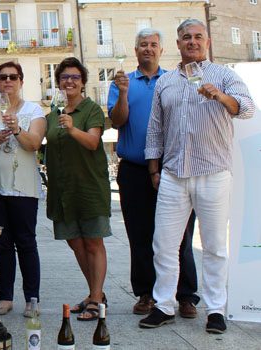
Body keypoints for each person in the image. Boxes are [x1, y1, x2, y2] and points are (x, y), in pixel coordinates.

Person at [139, 19, 255, 334]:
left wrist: (220, 96)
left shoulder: (225, 76)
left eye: (198, 37)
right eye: (186, 37)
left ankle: (216, 310)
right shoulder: (166, 82)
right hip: (174, 174)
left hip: (213, 172)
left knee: (216, 246)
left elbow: (247, 109)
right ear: (177, 44)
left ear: (207, 42)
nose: (192, 42)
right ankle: (163, 305)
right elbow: (155, 129)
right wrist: (154, 169)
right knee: (163, 244)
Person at [108, 28, 200, 318]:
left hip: (173, 168)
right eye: (142, 45)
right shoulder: (122, 83)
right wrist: (122, 93)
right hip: (134, 171)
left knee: (182, 235)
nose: (148, 49)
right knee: (140, 234)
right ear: (135, 51)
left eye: (153, 45)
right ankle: (146, 294)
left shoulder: (174, 80)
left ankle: (185, 295)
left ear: (162, 50)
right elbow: (117, 121)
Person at [44, 57, 111, 321]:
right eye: (64, 77)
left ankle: (95, 298)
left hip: (89, 186)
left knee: (93, 242)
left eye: (74, 77)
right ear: (59, 82)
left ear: (82, 82)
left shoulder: (91, 109)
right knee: (75, 243)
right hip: (62, 189)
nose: (69, 81)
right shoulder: (53, 113)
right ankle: (96, 292)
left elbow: (93, 142)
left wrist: (72, 129)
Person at [0, 61, 45, 317]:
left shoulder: (34, 110)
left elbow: (34, 144)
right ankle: (6, 297)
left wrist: (17, 129)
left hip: (23, 187)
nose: (8, 81)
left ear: (21, 81)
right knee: (2, 244)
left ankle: (32, 298)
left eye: (13, 77)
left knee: (26, 242)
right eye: (2, 77)